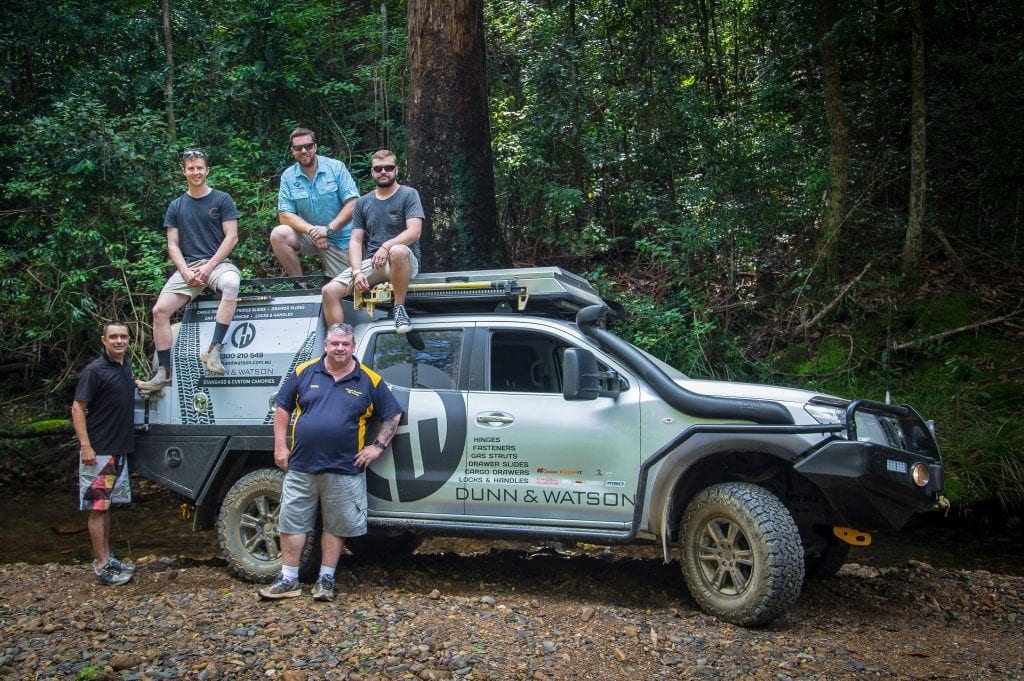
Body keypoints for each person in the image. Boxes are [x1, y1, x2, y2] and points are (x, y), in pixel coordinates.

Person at [258, 323, 403, 601]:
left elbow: (393, 415)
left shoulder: (368, 379)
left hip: (345, 468)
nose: (340, 348)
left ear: (352, 346)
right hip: (301, 465)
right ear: (326, 345)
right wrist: (280, 446)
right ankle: (288, 579)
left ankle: (326, 579)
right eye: (335, 343)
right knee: (292, 523)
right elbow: (282, 407)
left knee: (336, 527)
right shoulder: (305, 371)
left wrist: (377, 447)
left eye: (345, 344)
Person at [138, 148, 241, 391]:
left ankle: (214, 350)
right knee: (160, 311)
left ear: (207, 170)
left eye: (200, 168)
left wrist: (209, 267)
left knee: (231, 284)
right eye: (191, 168)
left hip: (217, 264)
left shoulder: (222, 199)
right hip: (189, 268)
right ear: (184, 171)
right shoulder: (176, 205)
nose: (196, 172)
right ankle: (163, 372)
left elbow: (232, 238)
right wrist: (184, 271)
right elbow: (172, 244)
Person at [321, 149, 423, 333]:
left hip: (404, 261)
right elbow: (355, 240)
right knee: (329, 292)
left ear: (396, 170)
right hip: (375, 263)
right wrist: (357, 271)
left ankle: (399, 309)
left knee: (397, 250)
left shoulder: (409, 194)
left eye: (388, 168)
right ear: (372, 172)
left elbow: (414, 232)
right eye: (378, 169)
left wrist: (386, 246)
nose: (383, 172)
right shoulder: (363, 202)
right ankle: (340, 338)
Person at [71, 322, 141, 585]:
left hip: (119, 450)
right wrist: (86, 446)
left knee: (107, 505)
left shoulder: (125, 366)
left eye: (123, 336)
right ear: (104, 340)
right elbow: (77, 408)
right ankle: (101, 565)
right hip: (99, 452)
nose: (119, 340)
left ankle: (107, 557)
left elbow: (124, 388)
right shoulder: (94, 371)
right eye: (114, 337)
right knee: (97, 507)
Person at [269, 128, 360, 279]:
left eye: (308, 146)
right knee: (279, 234)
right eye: (298, 148)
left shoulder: (336, 167)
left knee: (347, 288)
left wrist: (327, 230)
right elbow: (285, 215)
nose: (304, 151)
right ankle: (299, 284)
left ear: (315, 147)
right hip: (311, 236)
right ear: (292, 151)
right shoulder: (288, 176)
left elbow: (353, 204)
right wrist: (314, 231)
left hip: (341, 238)